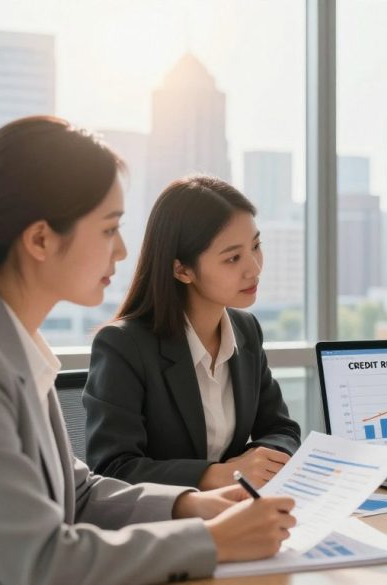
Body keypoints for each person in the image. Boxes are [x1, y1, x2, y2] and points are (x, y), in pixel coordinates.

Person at [0, 116, 295, 585]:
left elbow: (78, 496)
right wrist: (214, 541)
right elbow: (39, 561)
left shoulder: (16, 347)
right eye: (108, 229)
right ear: (40, 239)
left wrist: (190, 505)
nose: (121, 251)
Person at [84, 176, 301, 489]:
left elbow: (282, 429)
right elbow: (114, 469)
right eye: (232, 258)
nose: (254, 268)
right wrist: (221, 475)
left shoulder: (246, 330)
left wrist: (258, 460)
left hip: (237, 514)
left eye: (256, 246)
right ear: (182, 270)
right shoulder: (124, 345)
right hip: (166, 528)